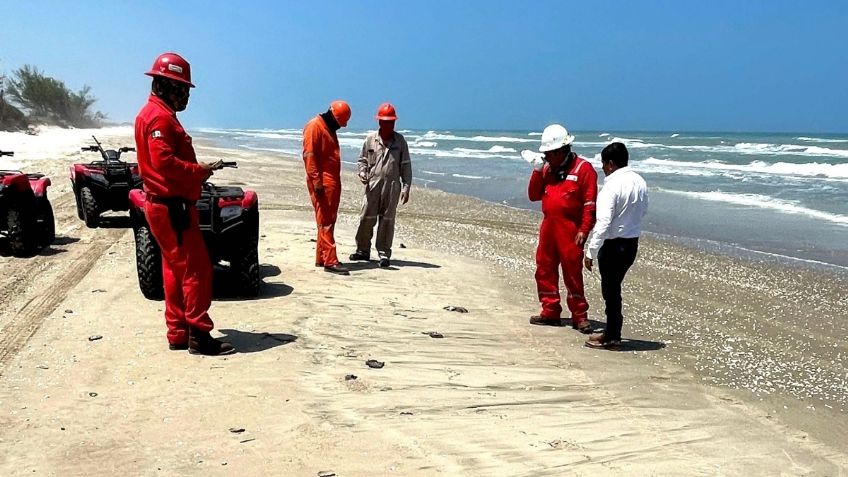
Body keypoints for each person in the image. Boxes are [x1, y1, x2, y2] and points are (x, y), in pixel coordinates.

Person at [134, 52, 234, 355]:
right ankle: (198, 334)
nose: (187, 96)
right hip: (172, 206)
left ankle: (178, 331)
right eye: (183, 89)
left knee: (174, 270)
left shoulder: (153, 114)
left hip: (165, 204)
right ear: (165, 85)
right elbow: (164, 162)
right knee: (197, 270)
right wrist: (200, 171)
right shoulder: (160, 118)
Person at [527, 124, 598, 332]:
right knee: (544, 268)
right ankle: (550, 311)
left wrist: (585, 229)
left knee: (572, 272)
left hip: (570, 229)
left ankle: (580, 316)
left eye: (549, 153)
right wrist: (537, 171)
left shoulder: (583, 169)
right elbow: (533, 195)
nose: (546, 157)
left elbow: (589, 203)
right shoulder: (547, 169)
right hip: (549, 226)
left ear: (561, 150)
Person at [583, 142, 648, 350]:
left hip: (613, 244)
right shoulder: (640, 181)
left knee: (610, 291)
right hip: (631, 243)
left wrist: (590, 251)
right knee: (613, 289)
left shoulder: (611, 186)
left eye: (603, 164)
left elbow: (602, 222)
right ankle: (612, 332)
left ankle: (613, 336)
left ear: (610, 164)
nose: (602, 168)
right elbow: (643, 210)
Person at [349, 103, 412, 268]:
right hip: (373, 184)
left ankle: (384, 253)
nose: (388, 125)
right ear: (379, 122)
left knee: (387, 221)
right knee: (366, 218)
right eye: (385, 121)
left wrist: (406, 187)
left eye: (391, 122)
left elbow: (405, 165)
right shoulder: (370, 140)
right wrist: (362, 172)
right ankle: (362, 250)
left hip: (392, 186)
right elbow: (362, 160)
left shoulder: (400, 141)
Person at [302, 100, 352, 275]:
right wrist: (317, 183)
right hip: (323, 182)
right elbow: (309, 156)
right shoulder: (315, 127)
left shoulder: (327, 127)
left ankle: (322, 257)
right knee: (325, 222)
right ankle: (331, 260)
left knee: (327, 220)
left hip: (330, 180)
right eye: (340, 123)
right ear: (334, 117)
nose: (341, 127)